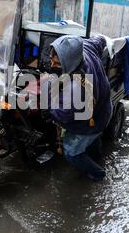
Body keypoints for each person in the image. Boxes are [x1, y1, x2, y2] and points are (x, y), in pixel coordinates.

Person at [47, 35, 112, 181]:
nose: (51, 65)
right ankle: (96, 156)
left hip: (92, 122)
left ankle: (98, 174)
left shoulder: (76, 89)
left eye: (57, 63)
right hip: (104, 108)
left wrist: (47, 103)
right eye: (51, 58)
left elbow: (60, 115)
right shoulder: (86, 48)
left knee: (71, 152)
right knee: (94, 139)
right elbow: (100, 40)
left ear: (69, 63)